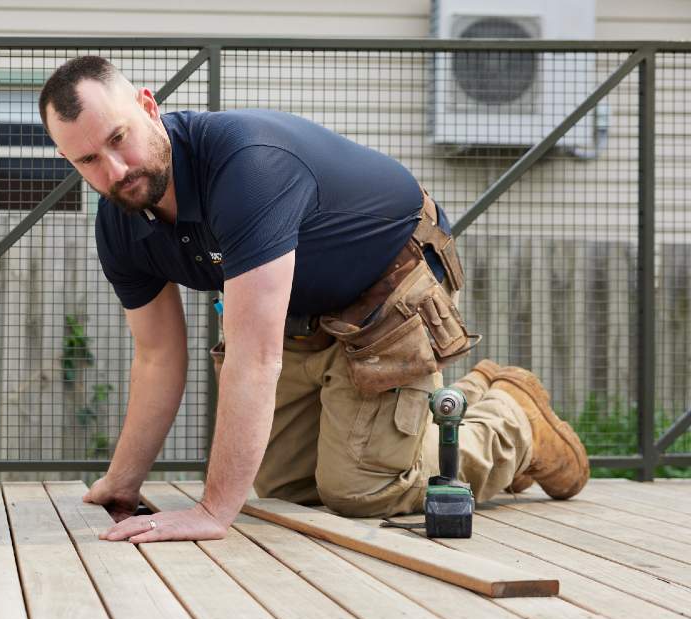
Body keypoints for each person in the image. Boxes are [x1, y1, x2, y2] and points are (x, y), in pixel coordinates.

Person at [38, 56, 590, 544]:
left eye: (118, 138)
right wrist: (122, 482)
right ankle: (441, 412)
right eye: (87, 160)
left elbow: (254, 358)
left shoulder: (245, 167)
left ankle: (511, 418)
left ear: (148, 106)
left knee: (360, 491)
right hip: (298, 311)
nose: (115, 171)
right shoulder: (119, 224)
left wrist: (211, 511)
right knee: (288, 490)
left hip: (386, 283)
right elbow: (158, 358)